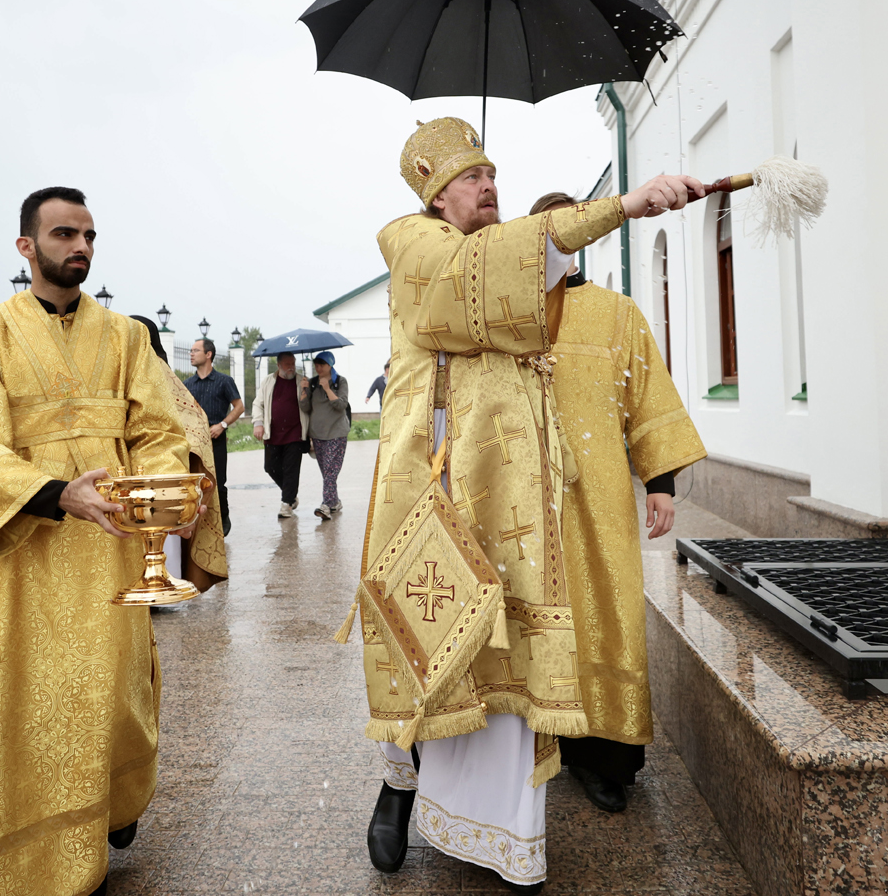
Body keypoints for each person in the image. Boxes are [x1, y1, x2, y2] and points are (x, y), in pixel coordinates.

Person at [353, 118, 702, 890]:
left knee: (508, 664)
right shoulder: (408, 243)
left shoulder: (506, 275)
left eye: (494, 174)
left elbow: (516, 283)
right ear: (436, 192)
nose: (490, 185)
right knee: (426, 648)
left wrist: (656, 476)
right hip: (429, 494)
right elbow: (462, 286)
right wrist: (626, 204)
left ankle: (507, 836)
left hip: (506, 498)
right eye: (474, 176)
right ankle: (398, 785)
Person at [0, 186, 191, 896]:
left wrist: (157, 488)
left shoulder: (126, 335)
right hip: (21, 543)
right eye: (64, 233)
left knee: (105, 686)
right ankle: (9, 842)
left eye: (89, 234)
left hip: (108, 541)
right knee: (7, 688)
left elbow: (158, 426)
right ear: (27, 246)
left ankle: (104, 811)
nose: (80, 246)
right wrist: (57, 493)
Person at [529, 192, 706, 813]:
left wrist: (660, 482)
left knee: (607, 609)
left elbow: (647, 396)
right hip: (526, 504)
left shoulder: (616, 313)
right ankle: (533, 743)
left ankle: (603, 756)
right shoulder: (506, 318)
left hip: (598, 498)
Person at [133, 315, 228, 592]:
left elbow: (193, 420)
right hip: (132, 467)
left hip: (163, 466)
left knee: (162, 525)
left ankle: (163, 582)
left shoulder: (160, 373)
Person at [183, 337, 243, 534]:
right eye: (191, 350)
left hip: (215, 440)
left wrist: (222, 425)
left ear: (208, 355)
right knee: (195, 482)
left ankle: (223, 519)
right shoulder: (186, 384)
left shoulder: (224, 381)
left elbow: (239, 407)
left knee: (219, 483)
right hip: (192, 442)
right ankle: (197, 522)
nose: (191, 354)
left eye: (195, 350)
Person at [250, 352, 309, 517]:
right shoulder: (268, 381)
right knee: (270, 467)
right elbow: (257, 403)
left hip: (295, 433)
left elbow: (308, 407)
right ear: (278, 365)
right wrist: (258, 423)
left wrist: (306, 390)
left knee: (291, 469)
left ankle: (286, 505)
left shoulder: (302, 381)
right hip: (273, 432)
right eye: (287, 364)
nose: (291, 367)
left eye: (293, 363)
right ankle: (290, 495)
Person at [301, 350, 352, 519]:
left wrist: (328, 388)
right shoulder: (313, 383)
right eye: (316, 364)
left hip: (336, 433)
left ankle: (325, 506)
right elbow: (305, 408)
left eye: (322, 364)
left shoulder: (340, 382)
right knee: (327, 473)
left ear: (330, 365)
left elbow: (341, 405)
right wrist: (304, 391)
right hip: (318, 434)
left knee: (330, 471)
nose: (318, 368)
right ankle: (335, 502)